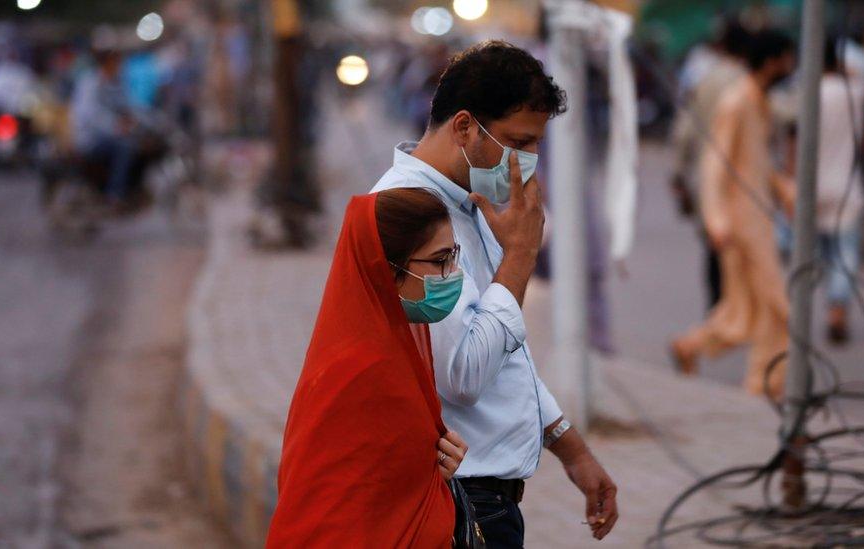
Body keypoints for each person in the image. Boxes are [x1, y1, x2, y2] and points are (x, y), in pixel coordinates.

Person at [371, 41, 618, 546]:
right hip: (460, 498)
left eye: (535, 146)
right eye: (518, 142)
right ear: (464, 127)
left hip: (489, 497)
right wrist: (521, 257)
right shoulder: (410, 211)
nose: (528, 161)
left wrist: (571, 449)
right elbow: (463, 375)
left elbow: (505, 348)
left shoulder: (466, 202)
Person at [267, 188, 469, 547]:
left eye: (453, 256)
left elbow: (386, 478)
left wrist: (433, 465)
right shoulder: (360, 371)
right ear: (388, 271)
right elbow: (330, 515)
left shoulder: (394, 350)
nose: (451, 274)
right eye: (439, 261)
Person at [671, 30, 797, 399]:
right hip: (739, 224)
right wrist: (717, 219)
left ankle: (690, 346)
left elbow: (755, 163)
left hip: (758, 221)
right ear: (773, 61)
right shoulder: (736, 101)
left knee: (743, 312)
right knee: (778, 309)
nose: (790, 67)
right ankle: (763, 386)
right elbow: (715, 164)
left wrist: (784, 189)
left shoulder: (760, 102)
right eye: (787, 59)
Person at [669, 17, 750, 309]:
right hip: (744, 181)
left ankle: (719, 304)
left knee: (714, 247)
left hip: (708, 179)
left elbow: (684, 130)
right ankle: (733, 308)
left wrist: (678, 174)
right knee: (740, 248)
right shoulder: (749, 82)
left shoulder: (705, 79)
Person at [816, 38, 864, 344]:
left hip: (814, 187)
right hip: (846, 187)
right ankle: (838, 309)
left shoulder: (810, 93)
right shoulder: (854, 91)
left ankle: (831, 306)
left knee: (824, 254)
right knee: (845, 255)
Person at [69, 49, 141, 207]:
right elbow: (90, 115)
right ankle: (114, 194)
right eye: (117, 63)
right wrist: (116, 126)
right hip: (89, 138)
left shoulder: (115, 83)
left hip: (108, 135)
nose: (120, 67)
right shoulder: (90, 83)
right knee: (124, 147)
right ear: (107, 63)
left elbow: (130, 107)